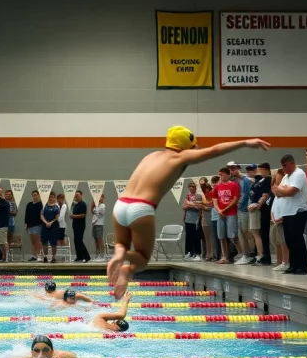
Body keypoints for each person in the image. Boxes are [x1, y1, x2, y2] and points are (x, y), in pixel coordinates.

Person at [108, 127, 270, 298]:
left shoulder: (151, 156)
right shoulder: (180, 156)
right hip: (141, 207)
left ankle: (119, 252)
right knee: (141, 258)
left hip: (120, 204)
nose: (196, 150)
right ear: (187, 146)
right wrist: (244, 142)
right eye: (194, 146)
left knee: (121, 244)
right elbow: (214, 150)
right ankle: (126, 268)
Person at [272, 154, 307, 275]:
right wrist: (283, 190)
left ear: (292, 163)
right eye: (282, 166)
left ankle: (302, 266)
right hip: (287, 212)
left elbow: (291, 192)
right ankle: (293, 264)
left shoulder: (299, 174)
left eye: (285, 165)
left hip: (298, 211)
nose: (283, 169)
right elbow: (276, 191)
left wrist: (282, 190)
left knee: (297, 238)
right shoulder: (286, 177)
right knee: (289, 240)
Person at [229, 162, 256, 264]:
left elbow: (246, 195)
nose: (232, 171)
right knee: (242, 232)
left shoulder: (245, 179)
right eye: (230, 170)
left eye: (233, 169)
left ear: (238, 169)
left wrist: (238, 204)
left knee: (245, 232)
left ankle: (249, 255)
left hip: (244, 209)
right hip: (240, 209)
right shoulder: (236, 180)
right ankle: (246, 254)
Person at [214, 168, 240, 265]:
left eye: (222, 174)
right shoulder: (217, 187)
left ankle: (242, 254)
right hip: (220, 214)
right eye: (219, 175)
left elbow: (235, 199)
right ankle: (225, 256)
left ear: (228, 175)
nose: (221, 176)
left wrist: (224, 209)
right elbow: (214, 199)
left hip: (231, 213)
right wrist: (218, 210)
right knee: (222, 236)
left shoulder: (233, 185)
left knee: (233, 236)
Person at [0, 335, 78, 358]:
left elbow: (74, 356)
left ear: (52, 351)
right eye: (37, 351)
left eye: (45, 350)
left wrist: (59, 356)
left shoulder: (57, 355)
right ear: (31, 352)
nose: (41, 354)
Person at [249, 163, 272, 265]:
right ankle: (260, 254)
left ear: (267, 170)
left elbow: (265, 195)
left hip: (263, 208)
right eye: (260, 169)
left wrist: (258, 205)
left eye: (262, 169)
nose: (260, 171)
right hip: (255, 206)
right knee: (259, 232)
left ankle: (266, 256)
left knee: (264, 232)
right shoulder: (258, 180)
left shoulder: (267, 180)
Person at [270, 169, 288, 271]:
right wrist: (273, 217)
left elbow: (286, 205)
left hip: (282, 219)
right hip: (276, 219)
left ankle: (285, 261)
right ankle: (280, 261)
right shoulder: (277, 194)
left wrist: (282, 217)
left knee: (283, 242)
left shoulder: (284, 191)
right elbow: (274, 207)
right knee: (277, 241)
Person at [182, 182, 203, 262]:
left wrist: (189, 204)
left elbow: (199, 207)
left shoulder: (199, 196)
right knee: (188, 237)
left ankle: (197, 254)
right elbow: (184, 207)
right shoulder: (187, 196)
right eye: (189, 187)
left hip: (196, 219)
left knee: (196, 237)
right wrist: (192, 204)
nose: (191, 188)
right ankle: (189, 253)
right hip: (188, 219)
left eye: (192, 187)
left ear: (195, 188)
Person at [71, 190, 91, 263]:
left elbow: (83, 215)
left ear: (81, 195)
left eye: (77, 195)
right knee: (76, 241)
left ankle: (87, 257)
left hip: (80, 226)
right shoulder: (76, 205)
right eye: (75, 196)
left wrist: (74, 216)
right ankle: (79, 256)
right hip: (75, 225)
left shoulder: (83, 204)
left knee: (79, 241)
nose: (76, 197)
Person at [40, 192, 60, 263]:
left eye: (53, 197)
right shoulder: (44, 206)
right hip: (45, 226)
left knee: (53, 242)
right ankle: (45, 256)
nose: (51, 198)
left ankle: (53, 257)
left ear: (55, 198)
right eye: (50, 197)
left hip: (54, 226)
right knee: (44, 242)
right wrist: (46, 222)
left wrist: (51, 223)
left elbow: (57, 217)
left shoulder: (57, 207)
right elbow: (41, 215)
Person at [24, 191, 43, 262]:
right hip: (30, 225)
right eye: (33, 195)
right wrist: (26, 223)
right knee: (32, 241)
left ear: (39, 196)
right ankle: (34, 255)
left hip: (37, 224)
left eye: (35, 195)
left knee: (37, 240)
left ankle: (39, 255)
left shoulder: (41, 204)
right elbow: (27, 214)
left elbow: (41, 214)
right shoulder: (29, 204)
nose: (34, 197)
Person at [199, 180, 215, 262]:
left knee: (211, 237)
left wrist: (202, 205)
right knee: (206, 238)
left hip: (210, 216)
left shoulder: (212, 194)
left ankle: (212, 254)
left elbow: (211, 206)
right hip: (204, 217)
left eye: (206, 188)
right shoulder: (204, 195)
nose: (205, 190)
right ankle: (208, 254)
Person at [91, 194, 106, 261]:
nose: (99, 198)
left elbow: (98, 213)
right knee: (96, 239)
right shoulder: (96, 206)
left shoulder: (102, 205)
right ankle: (97, 254)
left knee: (100, 239)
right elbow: (92, 211)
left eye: (101, 197)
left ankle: (102, 255)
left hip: (99, 224)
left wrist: (95, 211)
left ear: (103, 198)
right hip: (94, 224)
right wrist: (93, 203)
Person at [5, 190, 18, 257]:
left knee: (9, 238)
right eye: (6, 194)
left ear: (12, 195)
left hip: (11, 223)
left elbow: (15, 213)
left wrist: (8, 212)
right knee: (4, 239)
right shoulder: (3, 202)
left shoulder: (13, 203)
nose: (8, 195)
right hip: (3, 223)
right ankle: (4, 253)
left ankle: (8, 252)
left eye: (9, 194)